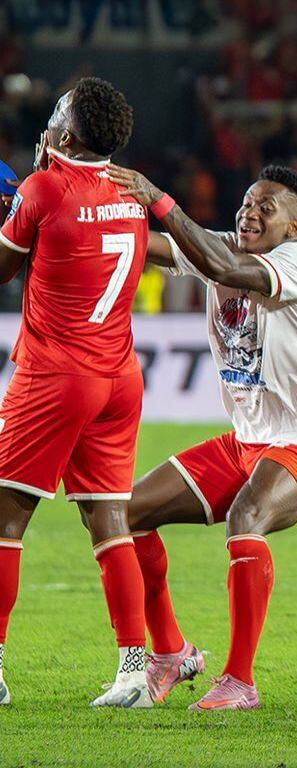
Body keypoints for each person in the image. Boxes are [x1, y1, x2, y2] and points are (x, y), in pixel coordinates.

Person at [104, 162, 297, 710]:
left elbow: (220, 265)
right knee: (127, 512)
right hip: (246, 442)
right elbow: (149, 246)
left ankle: (240, 681)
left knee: (245, 519)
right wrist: (84, 216)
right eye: (246, 202)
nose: (250, 211)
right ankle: (170, 652)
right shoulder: (219, 246)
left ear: (295, 226)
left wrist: (159, 198)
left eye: (267, 206)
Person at [0, 78, 152, 708]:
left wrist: (14, 205)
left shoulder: (43, 188)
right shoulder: (131, 189)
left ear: (66, 134)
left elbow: (4, 269)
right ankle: (135, 671)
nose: (50, 116)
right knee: (108, 519)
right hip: (118, 376)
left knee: (5, 519)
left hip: (55, 376)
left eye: (58, 111)